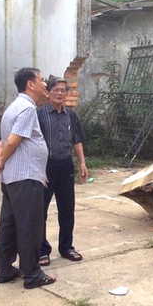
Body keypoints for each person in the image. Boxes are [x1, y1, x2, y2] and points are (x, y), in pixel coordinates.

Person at [0, 67, 56, 289]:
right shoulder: (27, 109)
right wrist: (1, 164)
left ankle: (5, 270)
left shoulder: (12, 108)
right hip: (25, 179)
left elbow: (2, 142)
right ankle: (32, 274)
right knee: (29, 226)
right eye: (42, 80)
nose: (45, 84)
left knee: (10, 225)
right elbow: (12, 142)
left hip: (12, 180)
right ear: (30, 84)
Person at [36, 76, 88, 266]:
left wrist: (82, 162)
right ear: (48, 93)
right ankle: (42, 251)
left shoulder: (71, 115)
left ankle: (66, 247)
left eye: (63, 90)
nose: (59, 93)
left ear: (67, 94)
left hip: (65, 165)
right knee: (40, 210)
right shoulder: (39, 115)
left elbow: (77, 139)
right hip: (45, 166)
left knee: (67, 209)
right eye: (56, 90)